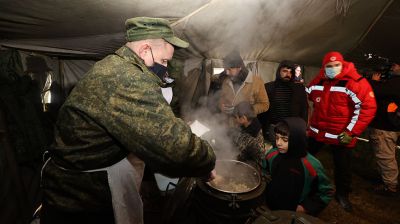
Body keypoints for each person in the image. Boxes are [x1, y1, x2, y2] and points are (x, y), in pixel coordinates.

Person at [40, 17, 216, 224]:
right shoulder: (127, 78)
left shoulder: (114, 65)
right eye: (164, 61)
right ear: (145, 50)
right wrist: (206, 161)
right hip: (81, 198)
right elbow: (176, 149)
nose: (165, 69)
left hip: (73, 186)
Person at [306, 51, 377, 212]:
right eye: (328, 66)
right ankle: (304, 184)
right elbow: (308, 94)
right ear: (324, 67)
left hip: (341, 135)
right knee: (305, 157)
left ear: (342, 64)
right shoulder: (320, 80)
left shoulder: (355, 82)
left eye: (336, 65)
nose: (332, 69)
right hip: (318, 132)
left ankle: (342, 195)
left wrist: (351, 132)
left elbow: (367, 108)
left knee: (343, 167)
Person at [263, 117, 333, 216]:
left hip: (292, 212)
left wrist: (306, 207)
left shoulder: (311, 165)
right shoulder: (272, 154)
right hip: (271, 206)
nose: (278, 143)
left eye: (285, 139)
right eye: (277, 137)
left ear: (297, 139)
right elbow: (264, 171)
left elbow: (326, 192)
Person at [368, 61, 400, 196]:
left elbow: (378, 92)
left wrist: (374, 82)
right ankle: (387, 180)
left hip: (386, 126)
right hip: (390, 124)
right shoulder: (394, 82)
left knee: (385, 155)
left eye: (396, 65)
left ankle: (390, 185)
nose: (392, 67)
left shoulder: (396, 83)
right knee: (386, 154)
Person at [258, 60, 308, 143]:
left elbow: (304, 109)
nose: (288, 74)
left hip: (292, 127)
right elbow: (262, 110)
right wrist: (263, 128)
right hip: (273, 127)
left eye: (290, 72)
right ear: (279, 72)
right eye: (285, 71)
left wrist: (303, 127)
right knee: (274, 150)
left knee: (291, 150)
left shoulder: (299, 88)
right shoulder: (268, 87)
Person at [219, 50, 269, 117]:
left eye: (229, 69)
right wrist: (221, 105)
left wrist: (249, 110)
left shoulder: (257, 81)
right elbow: (222, 98)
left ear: (239, 68)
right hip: (228, 123)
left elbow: (265, 105)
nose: (227, 73)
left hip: (247, 124)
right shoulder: (226, 81)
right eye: (225, 70)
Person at [230, 101, 265, 169]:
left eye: (236, 117)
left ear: (243, 118)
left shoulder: (251, 138)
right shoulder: (250, 122)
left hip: (253, 166)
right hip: (245, 158)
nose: (235, 119)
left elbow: (238, 156)